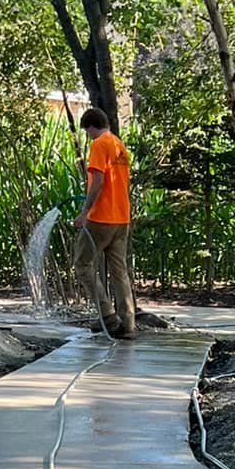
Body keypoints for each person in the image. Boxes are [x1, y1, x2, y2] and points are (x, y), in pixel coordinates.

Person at [72, 107, 136, 340]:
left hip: (102, 218)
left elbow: (97, 179)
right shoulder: (118, 144)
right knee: (119, 271)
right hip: (122, 217)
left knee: (82, 264)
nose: (88, 135)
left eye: (87, 131)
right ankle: (127, 323)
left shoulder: (99, 144)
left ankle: (107, 315)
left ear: (91, 127)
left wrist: (85, 213)